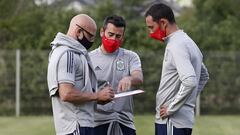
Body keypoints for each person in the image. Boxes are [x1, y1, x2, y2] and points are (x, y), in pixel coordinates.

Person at [144, 3, 209, 135]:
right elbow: (203, 76)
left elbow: (190, 81)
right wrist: (186, 101)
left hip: (171, 121)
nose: (151, 33)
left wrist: (172, 108)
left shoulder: (176, 45)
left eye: (152, 27)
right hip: (181, 121)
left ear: (163, 23)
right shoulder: (188, 42)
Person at [47, 14, 114, 135]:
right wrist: (97, 96)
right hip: (76, 127)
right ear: (79, 31)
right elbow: (66, 94)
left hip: (80, 126)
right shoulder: (68, 54)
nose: (92, 41)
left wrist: (98, 98)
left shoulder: (69, 52)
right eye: (90, 36)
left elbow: (77, 90)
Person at [89, 15, 143, 135]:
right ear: (102, 32)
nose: (114, 39)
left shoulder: (131, 56)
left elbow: (139, 77)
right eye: (110, 34)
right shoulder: (89, 58)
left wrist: (129, 78)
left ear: (123, 37)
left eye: (118, 36)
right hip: (97, 122)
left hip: (124, 122)